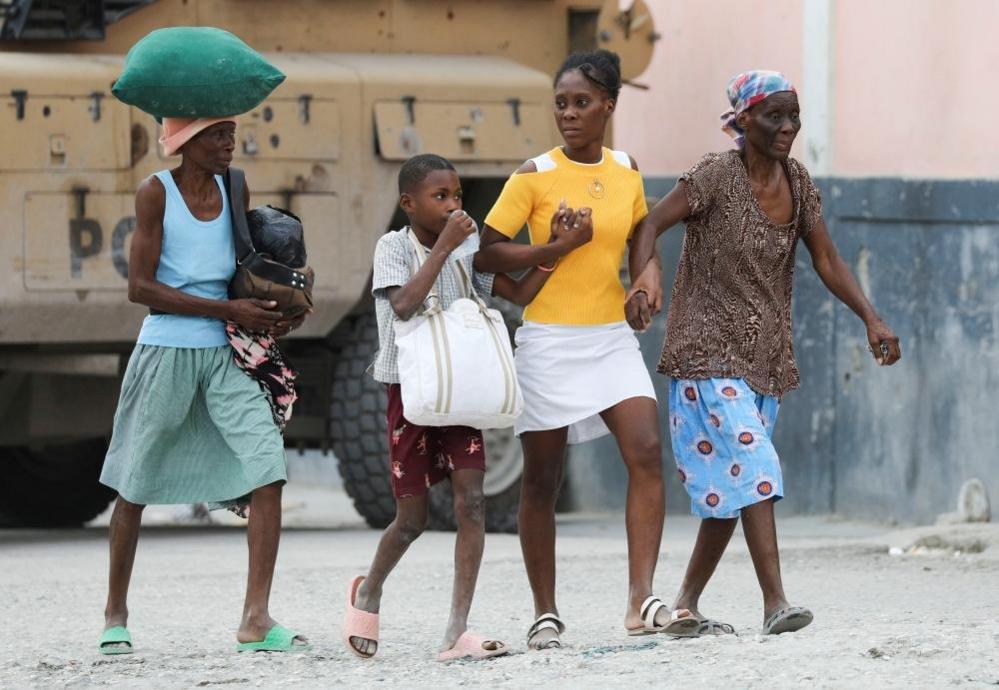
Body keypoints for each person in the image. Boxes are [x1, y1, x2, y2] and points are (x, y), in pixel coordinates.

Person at [626, 70, 902, 635]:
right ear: (743, 119)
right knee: (756, 468)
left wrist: (871, 319)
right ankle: (775, 602)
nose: (787, 128)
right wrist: (642, 281)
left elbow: (826, 259)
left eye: (793, 117)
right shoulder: (713, 176)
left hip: (766, 359)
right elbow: (650, 223)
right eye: (774, 116)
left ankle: (684, 605)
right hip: (705, 352)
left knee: (734, 492)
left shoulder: (798, 182)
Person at [474, 50, 700, 648]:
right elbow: (484, 253)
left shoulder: (626, 169)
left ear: (609, 106)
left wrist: (647, 282)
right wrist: (551, 247)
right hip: (547, 340)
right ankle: (545, 611)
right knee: (541, 481)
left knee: (647, 451)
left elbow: (639, 242)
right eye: (561, 104)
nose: (569, 115)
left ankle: (640, 599)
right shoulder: (533, 175)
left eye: (581, 103)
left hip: (610, 338)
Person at [342, 153, 572, 661]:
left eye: (458, 197)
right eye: (439, 197)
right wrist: (444, 248)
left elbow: (517, 292)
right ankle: (370, 590)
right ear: (408, 203)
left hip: (462, 390)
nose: (451, 206)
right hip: (412, 391)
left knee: (472, 502)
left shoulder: (468, 248)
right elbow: (402, 305)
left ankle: (456, 627)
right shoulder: (393, 247)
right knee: (412, 519)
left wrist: (554, 252)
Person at [98, 117, 309, 654]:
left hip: (226, 351)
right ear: (184, 142)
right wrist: (225, 307)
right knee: (134, 485)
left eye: (231, 134)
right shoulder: (155, 193)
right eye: (217, 135)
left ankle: (255, 620)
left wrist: (274, 308)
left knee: (267, 468)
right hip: (166, 348)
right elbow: (140, 288)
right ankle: (115, 616)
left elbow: (246, 264)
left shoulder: (235, 184)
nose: (229, 144)